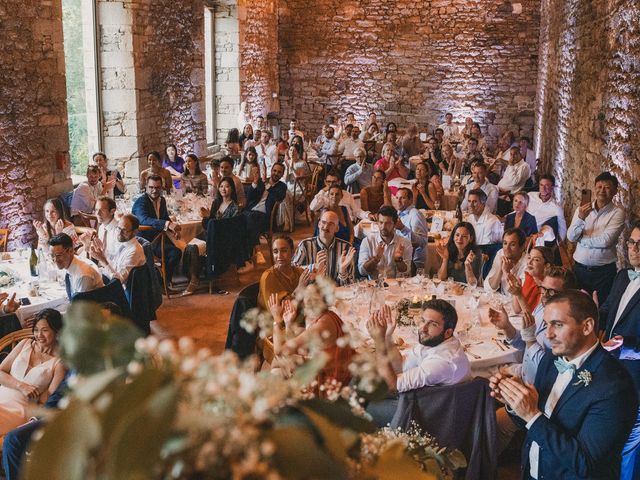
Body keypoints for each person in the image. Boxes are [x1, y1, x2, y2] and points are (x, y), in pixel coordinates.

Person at [489, 290, 637, 480]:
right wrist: (514, 400)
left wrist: (531, 414)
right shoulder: (552, 358)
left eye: (558, 325)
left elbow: (586, 464)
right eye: (546, 324)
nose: (548, 335)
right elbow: (533, 417)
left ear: (587, 326)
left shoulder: (615, 387)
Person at [491, 267, 577, 454]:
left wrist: (530, 339)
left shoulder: (566, 326)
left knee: (494, 425)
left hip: (538, 393)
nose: (545, 295)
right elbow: (525, 346)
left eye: (552, 292)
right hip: (524, 376)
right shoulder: (542, 307)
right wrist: (506, 327)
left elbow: (548, 369)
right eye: (543, 289)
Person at [599, 222, 640, 479]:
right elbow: (607, 311)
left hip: (636, 376)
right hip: (611, 369)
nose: (635, 248)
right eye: (632, 242)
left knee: (630, 444)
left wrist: (627, 345)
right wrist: (588, 313)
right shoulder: (623, 275)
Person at [367, 300, 471, 393]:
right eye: (422, 320)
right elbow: (401, 367)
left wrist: (379, 341)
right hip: (420, 397)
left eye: (433, 324)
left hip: (425, 409)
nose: (423, 328)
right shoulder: (433, 341)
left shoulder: (442, 362)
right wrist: (387, 337)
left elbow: (392, 386)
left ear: (448, 332)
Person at [268, 281, 355, 389]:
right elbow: (291, 349)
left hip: (330, 379)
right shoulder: (325, 316)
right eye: (307, 296)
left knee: (278, 362)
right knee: (279, 366)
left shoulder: (321, 325)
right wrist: (288, 323)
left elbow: (281, 352)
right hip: (326, 365)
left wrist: (276, 320)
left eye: (314, 297)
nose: (309, 300)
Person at [0, 308, 66, 436]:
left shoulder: (59, 363)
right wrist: (21, 386)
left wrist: (30, 424)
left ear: (56, 331)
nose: (39, 335)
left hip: (20, 409)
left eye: (45, 330)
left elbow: (47, 401)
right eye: (36, 330)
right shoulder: (25, 343)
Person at [567, 171, 625, 304]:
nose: (602, 191)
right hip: (579, 270)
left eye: (607, 187)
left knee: (600, 308)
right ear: (594, 188)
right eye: (599, 187)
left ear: (615, 191)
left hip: (603, 273)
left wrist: (581, 240)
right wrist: (581, 218)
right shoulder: (581, 210)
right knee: (577, 307)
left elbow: (605, 241)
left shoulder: (617, 213)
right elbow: (571, 237)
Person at [132, 175, 182, 286]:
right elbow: (144, 219)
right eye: (151, 187)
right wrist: (167, 224)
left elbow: (164, 217)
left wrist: (173, 228)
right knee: (175, 253)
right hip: (146, 241)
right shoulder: (141, 202)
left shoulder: (162, 200)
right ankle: (162, 282)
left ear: (161, 188)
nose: (154, 190)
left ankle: (162, 280)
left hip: (159, 237)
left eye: (157, 187)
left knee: (179, 250)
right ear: (146, 187)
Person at [293, 211, 356, 286]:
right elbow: (293, 272)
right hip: (311, 293)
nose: (326, 227)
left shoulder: (346, 248)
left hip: (337, 294)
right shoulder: (305, 245)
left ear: (337, 228)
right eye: (323, 222)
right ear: (319, 224)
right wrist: (313, 267)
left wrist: (342, 270)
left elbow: (351, 284)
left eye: (331, 224)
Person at [90, 213, 146, 286]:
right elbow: (114, 266)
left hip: (119, 292)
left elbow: (119, 281)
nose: (119, 233)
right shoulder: (122, 242)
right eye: (118, 228)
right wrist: (99, 252)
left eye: (124, 230)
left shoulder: (134, 251)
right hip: (110, 280)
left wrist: (103, 260)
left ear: (135, 232)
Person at [244, 163, 287, 256]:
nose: (276, 173)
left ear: (282, 175)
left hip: (266, 217)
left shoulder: (282, 186)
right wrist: (255, 182)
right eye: (274, 170)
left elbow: (278, 197)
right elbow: (249, 197)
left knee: (249, 220)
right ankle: (255, 249)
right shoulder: (261, 181)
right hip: (251, 212)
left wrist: (267, 185)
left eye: (279, 172)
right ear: (271, 171)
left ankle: (249, 254)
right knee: (246, 221)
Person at [358, 205, 412, 279]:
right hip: (375, 287)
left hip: (396, 287)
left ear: (395, 224)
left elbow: (406, 272)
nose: (383, 227)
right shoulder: (367, 241)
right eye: (381, 222)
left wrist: (398, 260)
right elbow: (362, 271)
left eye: (388, 223)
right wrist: (376, 259)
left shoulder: (405, 243)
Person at [49, 233, 103, 298]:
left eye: (58, 255)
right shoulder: (69, 263)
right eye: (52, 255)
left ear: (71, 251)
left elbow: (81, 305)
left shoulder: (83, 275)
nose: (55, 260)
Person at [258, 235, 305, 310]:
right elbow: (278, 311)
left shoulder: (300, 272)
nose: (279, 256)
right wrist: (299, 289)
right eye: (275, 252)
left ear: (293, 252)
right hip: (275, 319)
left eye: (284, 251)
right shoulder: (268, 277)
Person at [508, 246, 555, 314]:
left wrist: (519, 295)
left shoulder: (548, 286)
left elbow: (536, 316)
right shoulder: (529, 277)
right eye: (529, 257)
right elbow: (517, 309)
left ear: (547, 265)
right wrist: (516, 290)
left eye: (536, 260)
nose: (529, 262)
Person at [485, 228, 528, 296]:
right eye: (505, 243)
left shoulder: (528, 263)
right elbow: (488, 288)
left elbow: (519, 295)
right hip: (502, 301)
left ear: (522, 247)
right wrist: (500, 269)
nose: (506, 249)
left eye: (512, 244)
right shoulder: (501, 253)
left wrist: (507, 272)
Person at [395, 188, 428, 271]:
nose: (398, 201)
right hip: (400, 255)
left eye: (402, 198)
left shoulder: (415, 214)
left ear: (410, 200)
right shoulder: (399, 213)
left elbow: (422, 242)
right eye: (397, 198)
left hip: (414, 263)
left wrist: (403, 228)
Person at [527, 174, 567, 242]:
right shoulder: (530, 195)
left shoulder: (556, 208)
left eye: (547, 185)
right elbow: (519, 210)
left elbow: (562, 229)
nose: (543, 188)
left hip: (533, 235)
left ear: (552, 187)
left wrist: (559, 244)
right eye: (541, 185)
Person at [80, 196, 119, 262]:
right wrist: (87, 245)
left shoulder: (119, 231)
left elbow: (117, 259)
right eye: (96, 210)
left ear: (112, 211)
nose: (97, 214)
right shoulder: (102, 227)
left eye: (102, 210)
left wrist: (101, 248)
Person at [497, 147, 530, 214]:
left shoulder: (524, 166)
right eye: (511, 154)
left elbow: (515, 182)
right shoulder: (512, 164)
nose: (512, 157)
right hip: (499, 190)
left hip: (508, 194)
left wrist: (511, 166)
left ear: (520, 154)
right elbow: (505, 178)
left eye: (515, 154)